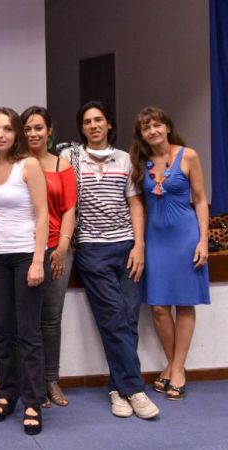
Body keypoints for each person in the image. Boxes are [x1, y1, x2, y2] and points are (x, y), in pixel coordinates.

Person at [60, 100, 159, 419]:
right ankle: (136, 389)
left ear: (109, 124)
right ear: (81, 128)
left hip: (127, 247)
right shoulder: (70, 158)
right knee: (116, 316)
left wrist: (139, 246)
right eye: (87, 121)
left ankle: (118, 388)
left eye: (98, 120)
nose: (93, 125)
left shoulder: (126, 160)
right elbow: (67, 204)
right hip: (92, 249)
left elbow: (135, 205)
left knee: (128, 318)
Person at [129, 106, 210, 401]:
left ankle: (176, 370)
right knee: (159, 307)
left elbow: (200, 201)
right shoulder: (141, 162)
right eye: (145, 128)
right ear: (141, 135)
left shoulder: (187, 156)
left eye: (156, 125)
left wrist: (203, 240)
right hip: (156, 240)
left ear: (166, 127)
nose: (152, 131)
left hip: (186, 237)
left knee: (185, 304)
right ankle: (173, 364)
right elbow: (136, 203)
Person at [0, 108, 48, 435]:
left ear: (16, 134)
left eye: (7, 129)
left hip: (26, 255)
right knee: (4, 331)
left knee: (28, 333)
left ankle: (33, 401)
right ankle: (7, 392)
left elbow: (42, 213)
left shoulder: (30, 164)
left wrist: (38, 260)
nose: (0, 134)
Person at [21, 106, 76, 408]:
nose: (33, 134)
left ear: (49, 131)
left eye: (38, 128)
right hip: (23, 251)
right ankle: (31, 383)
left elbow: (69, 208)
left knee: (51, 318)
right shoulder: (17, 165)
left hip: (56, 250)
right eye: (27, 128)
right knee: (26, 321)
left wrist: (63, 247)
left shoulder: (61, 165)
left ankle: (50, 379)